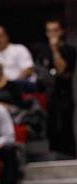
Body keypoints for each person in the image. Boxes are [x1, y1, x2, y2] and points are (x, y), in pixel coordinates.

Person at [34, 19, 76, 157]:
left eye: (56, 30)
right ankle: (53, 154)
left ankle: (69, 154)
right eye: (50, 31)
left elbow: (62, 69)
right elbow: (41, 71)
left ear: (62, 31)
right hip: (48, 93)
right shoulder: (42, 51)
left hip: (65, 93)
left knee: (65, 124)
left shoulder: (69, 50)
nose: (53, 34)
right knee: (51, 126)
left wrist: (55, 49)